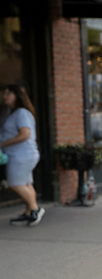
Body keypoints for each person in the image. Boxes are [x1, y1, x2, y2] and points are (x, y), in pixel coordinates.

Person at [2, 84, 43, 226]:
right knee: (26, 183)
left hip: (21, 156)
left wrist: (2, 144)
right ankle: (28, 212)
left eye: (8, 94)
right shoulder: (13, 112)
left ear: (17, 97)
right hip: (22, 155)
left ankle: (34, 210)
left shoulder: (21, 113)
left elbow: (25, 134)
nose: (4, 96)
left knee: (15, 184)